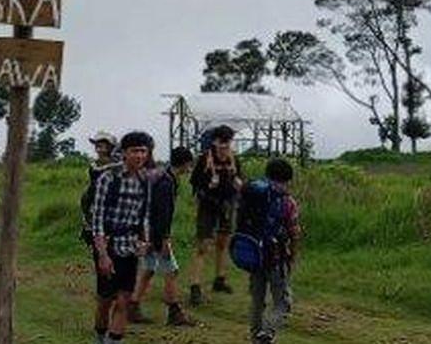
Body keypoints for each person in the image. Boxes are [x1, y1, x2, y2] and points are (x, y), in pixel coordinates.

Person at [89, 131, 152, 344]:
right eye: (135, 151)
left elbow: (143, 214)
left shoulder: (145, 181)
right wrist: (102, 254)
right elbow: (97, 218)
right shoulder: (109, 178)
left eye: (143, 151)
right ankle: (100, 336)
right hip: (109, 245)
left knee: (125, 299)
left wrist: (145, 240)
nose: (140, 156)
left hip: (131, 247)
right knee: (105, 300)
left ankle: (114, 340)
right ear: (124, 153)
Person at [128, 145, 197, 326]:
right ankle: (174, 312)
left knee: (149, 268)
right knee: (171, 270)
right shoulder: (166, 183)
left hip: (146, 229)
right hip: (155, 232)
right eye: (189, 164)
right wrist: (164, 240)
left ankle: (133, 306)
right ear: (185, 163)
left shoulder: (164, 176)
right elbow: (162, 214)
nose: (190, 168)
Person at [243, 158, 302, 344]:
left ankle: (255, 337)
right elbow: (294, 233)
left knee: (257, 300)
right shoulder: (287, 201)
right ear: (288, 178)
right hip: (276, 257)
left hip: (254, 255)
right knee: (283, 303)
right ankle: (266, 334)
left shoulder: (253, 193)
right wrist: (293, 256)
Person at [187, 124, 242, 305]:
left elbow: (240, 179)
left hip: (227, 205)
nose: (225, 146)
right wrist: (207, 185)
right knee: (203, 245)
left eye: (228, 142)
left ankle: (220, 279)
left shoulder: (234, 159)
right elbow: (194, 183)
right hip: (208, 205)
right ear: (215, 142)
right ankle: (195, 286)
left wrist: (239, 184)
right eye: (221, 142)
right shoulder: (204, 159)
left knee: (223, 243)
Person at [80, 131, 120, 246]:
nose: (99, 148)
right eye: (97, 145)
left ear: (109, 147)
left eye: (102, 145)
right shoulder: (94, 164)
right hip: (94, 197)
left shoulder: (117, 165)